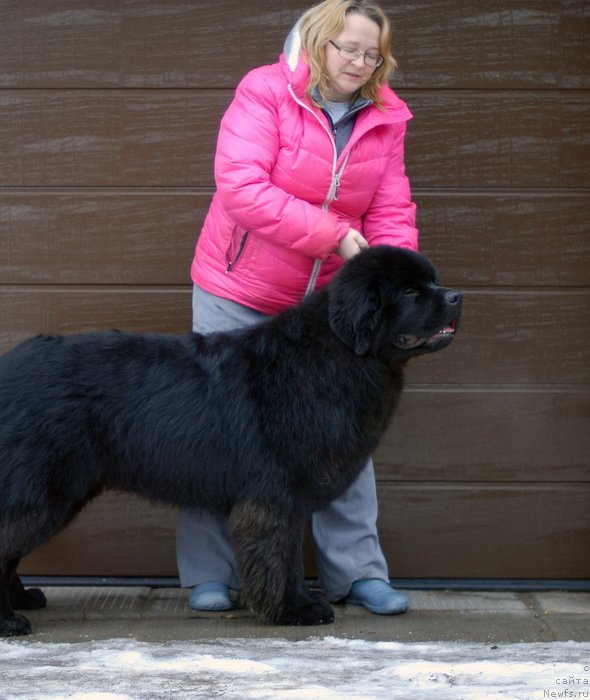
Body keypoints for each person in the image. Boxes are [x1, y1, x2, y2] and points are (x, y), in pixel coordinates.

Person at [177, 0, 416, 616]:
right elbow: (243, 187)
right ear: (317, 42)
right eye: (349, 49)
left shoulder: (386, 116)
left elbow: (390, 211)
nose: (360, 63)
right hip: (238, 291)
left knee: (344, 434)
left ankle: (358, 572)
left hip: (325, 306)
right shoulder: (265, 92)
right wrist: (335, 235)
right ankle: (212, 576)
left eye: (373, 53)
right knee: (217, 437)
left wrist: (388, 277)